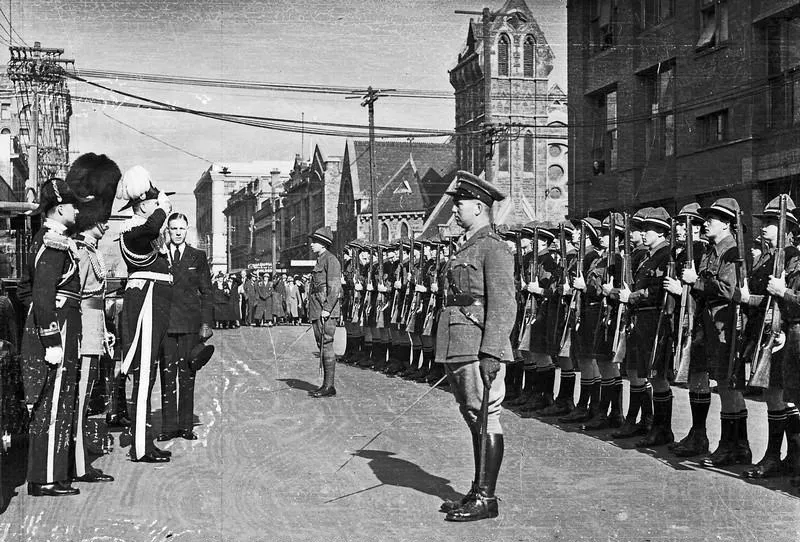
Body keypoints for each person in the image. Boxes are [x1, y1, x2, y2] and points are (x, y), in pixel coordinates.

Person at [435, 171, 514, 522]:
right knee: (474, 416)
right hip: (459, 341)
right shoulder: (467, 245)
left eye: (459, 203)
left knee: (486, 414)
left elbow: (503, 303)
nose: (454, 210)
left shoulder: (493, 247)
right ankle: (479, 488)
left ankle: (487, 497)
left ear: (480, 206)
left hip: (478, 342)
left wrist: (492, 351)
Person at [18, 178, 92, 496]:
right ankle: (46, 477)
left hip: (58, 324)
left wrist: (39, 315)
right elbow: (42, 293)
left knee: (56, 402)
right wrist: (49, 336)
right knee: (54, 403)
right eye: (73, 205)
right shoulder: (54, 242)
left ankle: (51, 472)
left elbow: (26, 292)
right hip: (58, 331)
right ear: (60, 208)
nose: (77, 210)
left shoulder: (49, 239)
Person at [116, 165, 174, 463]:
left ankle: (144, 440)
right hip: (147, 302)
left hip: (157, 301)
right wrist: (163, 209)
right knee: (144, 373)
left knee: (149, 373)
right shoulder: (134, 230)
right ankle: (141, 446)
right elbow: (153, 228)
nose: (159, 204)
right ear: (141, 204)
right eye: (153, 201)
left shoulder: (145, 231)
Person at [69, 153, 121, 484]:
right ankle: (77, 463)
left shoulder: (91, 251)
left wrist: (104, 331)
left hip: (94, 330)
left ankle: (78, 457)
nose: (105, 224)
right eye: (100, 220)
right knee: (81, 397)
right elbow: (82, 297)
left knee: (88, 396)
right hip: (84, 331)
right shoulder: (80, 251)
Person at [157, 212, 213, 442]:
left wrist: (207, 323)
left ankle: (185, 426)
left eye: (181, 228)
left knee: (187, 375)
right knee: (167, 375)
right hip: (166, 326)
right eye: (173, 229)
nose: (178, 233)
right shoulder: (160, 256)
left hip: (190, 325)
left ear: (187, 230)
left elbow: (207, 292)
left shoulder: (197, 257)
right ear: (167, 231)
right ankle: (169, 427)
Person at [307, 226, 342, 398]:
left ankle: (329, 386)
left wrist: (327, 309)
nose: (312, 244)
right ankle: (325, 385)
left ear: (323, 244)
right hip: (317, 309)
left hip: (325, 310)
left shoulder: (331, 260)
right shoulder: (320, 259)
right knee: (322, 345)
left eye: (314, 242)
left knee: (326, 344)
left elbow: (334, 288)